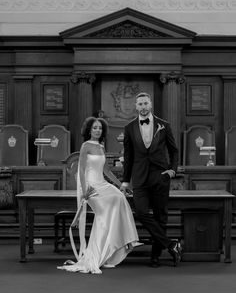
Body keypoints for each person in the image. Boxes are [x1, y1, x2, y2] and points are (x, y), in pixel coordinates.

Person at [58, 116, 139, 274]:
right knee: (105, 213)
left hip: (103, 184)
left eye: (100, 128)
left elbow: (106, 171)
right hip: (91, 186)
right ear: (89, 129)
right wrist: (85, 190)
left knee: (120, 197)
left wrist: (121, 185)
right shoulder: (85, 146)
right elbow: (81, 170)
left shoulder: (101, 146)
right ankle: (98, 253)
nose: (97, 130)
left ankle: (122, 242)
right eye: (94, 127)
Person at [120, 92, 181, 267]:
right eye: (140, 104)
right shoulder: (129, 127)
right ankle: (171, 244)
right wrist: (125, 181)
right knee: (141, 213)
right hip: (139, 178)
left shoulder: (164, 125)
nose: (143, 107)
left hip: (160, 176)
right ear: (136, 106)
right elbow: (129, 156)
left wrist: (172, 170)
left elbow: (174, 150)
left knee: (161, 216)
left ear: (151, 104)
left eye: (146, 103)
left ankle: (155, 257)